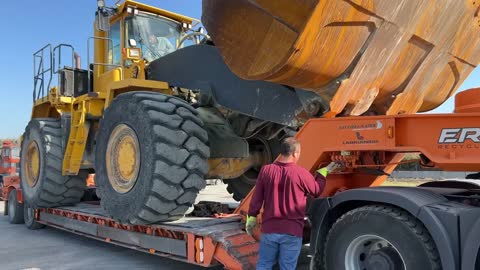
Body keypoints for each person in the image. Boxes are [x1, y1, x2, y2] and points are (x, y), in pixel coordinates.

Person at [246, 137, 339, 270]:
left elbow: (257, 198)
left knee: (264, 264)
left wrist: (252, 217)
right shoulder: (301, 173)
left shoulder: (266, 171)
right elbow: (316, 191)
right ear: (295, 153)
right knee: (287, 267)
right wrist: (322, 173)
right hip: (292, 231)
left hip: (269, 229)